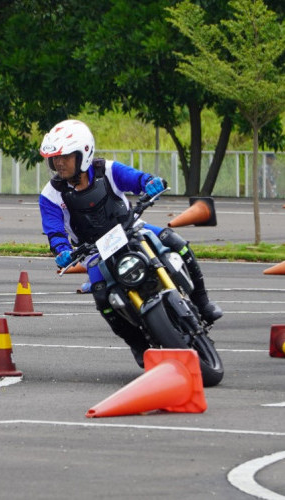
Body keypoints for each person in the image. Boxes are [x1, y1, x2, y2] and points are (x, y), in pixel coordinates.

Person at [38, 119, 222, 366]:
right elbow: (55, 231)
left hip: (130, 229)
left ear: (83, 153)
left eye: (64, 157)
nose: (58, 163)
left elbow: (138, 179)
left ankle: (203, 302)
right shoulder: (50, 196)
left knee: (176, 241)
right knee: (102, 298)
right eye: (54, 159)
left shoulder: (109, 170)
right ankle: (137, 344)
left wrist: (150, 183)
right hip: (94, 251)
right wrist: (62, 251)